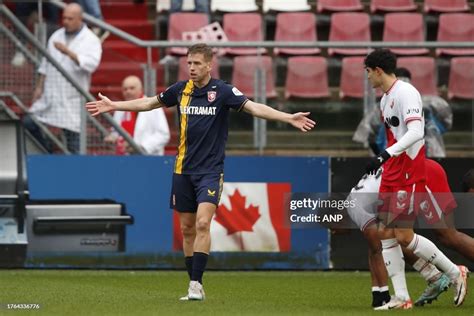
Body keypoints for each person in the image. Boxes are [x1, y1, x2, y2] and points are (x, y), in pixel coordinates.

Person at [86, 43, 315, 300]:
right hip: (183, 169)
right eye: (189, 63)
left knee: (203, 223)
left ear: (209, 65)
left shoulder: (224, 91)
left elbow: (254, 107)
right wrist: (115, 105)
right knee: (186, 229)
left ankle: (195, 284)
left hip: (210, 171)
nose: (191, 68)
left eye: (196, 63)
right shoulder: (180, 90)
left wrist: (288, 117)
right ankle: (194, 282)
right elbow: (149, 102)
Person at [363, 49, 468, 310]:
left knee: (405, 236)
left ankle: (455, 272)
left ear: (377, 70)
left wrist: (385, 154)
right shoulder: (385, 99)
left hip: (408, 168)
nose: (366, 78)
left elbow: (416, 132)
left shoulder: (405, 92)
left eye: (367, 72)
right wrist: (386, 160)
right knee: (386, 234)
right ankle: (400, 297)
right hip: (392, 170)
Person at [346, 159, 474, 308]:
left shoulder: (354, 206)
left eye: (330, 226)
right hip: (411, 176)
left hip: (421, 175)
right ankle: (432, 277)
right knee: (393, 237)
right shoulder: (356, 199)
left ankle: (453, 273)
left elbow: (376, 249)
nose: (334, 232)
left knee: (448, 235)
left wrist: (380, 296)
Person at [24, 3, 102, 154]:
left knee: (74, 143)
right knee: (29, 123)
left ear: (80, 19)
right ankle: (48, 150)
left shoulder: (91, 39)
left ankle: (77, 172)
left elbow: (91, 64)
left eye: (70, 18)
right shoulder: (56, 35)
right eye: (64, 18)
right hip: (50, 94)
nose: (65, 21)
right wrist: (39, 87)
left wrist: (68, 52)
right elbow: (46, 63)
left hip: (72, 99)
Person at [105, 76, 170, 155]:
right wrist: (113, 138)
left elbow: (163, 134)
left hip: (149, 158)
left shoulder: (154, 107)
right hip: (124, 158)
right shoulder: (119, 110)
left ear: (140, 89)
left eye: (132, 88)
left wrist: (141, 147)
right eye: (125, 89)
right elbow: (116, 131)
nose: (128, 91)